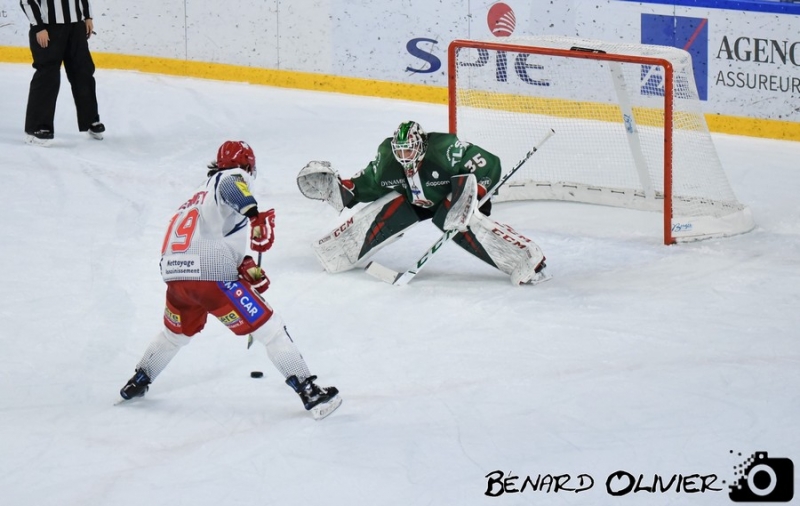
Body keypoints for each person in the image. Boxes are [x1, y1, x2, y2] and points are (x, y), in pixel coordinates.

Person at [120, 140, 342, 420]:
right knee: (271, 330)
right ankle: (310, 392)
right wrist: (255, 215)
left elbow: (208, 239)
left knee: (174, 335)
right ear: (248, 166)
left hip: (177, 281)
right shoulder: (231, 177)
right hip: (212, 280)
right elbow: (231, 186)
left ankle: (138, 380)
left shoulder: (195, 197)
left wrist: (243, 266)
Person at [297, 120, 548, 285]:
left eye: (410, 150)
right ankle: (339, 252)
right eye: (401, 151)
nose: (404, 156)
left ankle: (526, 258)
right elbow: (369, 184)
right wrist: (344, 188)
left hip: (454, 197)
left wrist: (475, 195)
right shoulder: (387, 160)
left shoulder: (445, 149)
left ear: (422, 145)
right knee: (391, 207)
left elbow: (488, 162)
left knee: (452, 218)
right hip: (416, 201)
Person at [20, 0, 105, 145]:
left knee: (83, 72)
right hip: (48, 27)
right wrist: (39, 26)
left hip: (76, 27)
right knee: (48, 76)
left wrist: (87, 17)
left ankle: (90, 119)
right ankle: (37, 127)